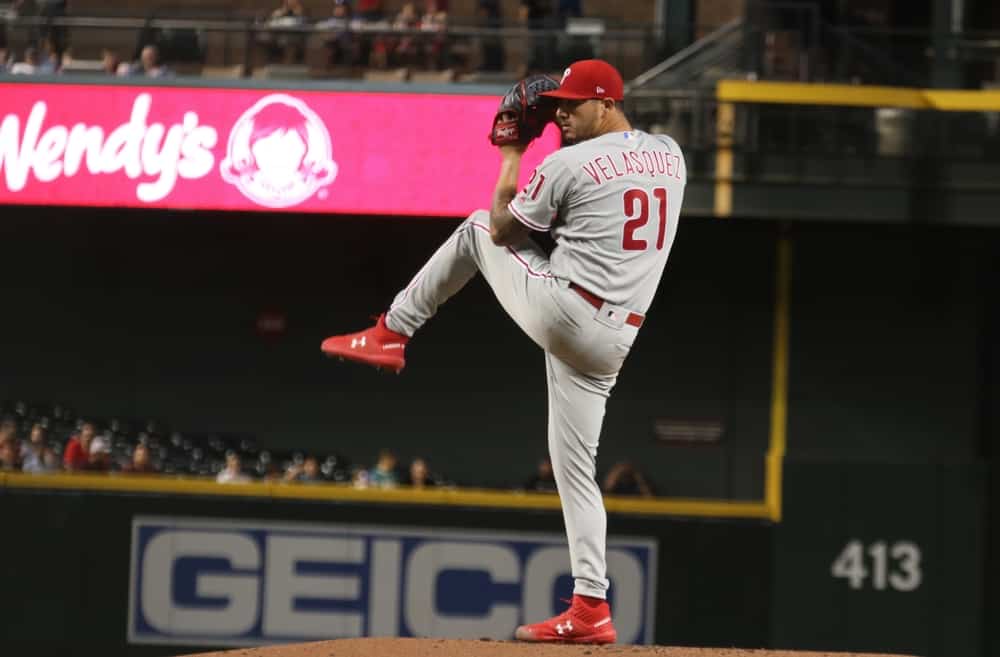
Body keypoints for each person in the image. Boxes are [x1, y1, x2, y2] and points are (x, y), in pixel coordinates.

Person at [321, 59, 686, 644]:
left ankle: (392, 330)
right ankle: (591, 608)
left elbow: (502, 230)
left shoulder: (567, 163)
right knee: (575, 471)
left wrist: (514, 154)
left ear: (606, 103)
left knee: (471, 229)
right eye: (557, 104)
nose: (560, 112)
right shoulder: (671, 153)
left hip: (567, 310)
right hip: (616, 339)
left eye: (572, 104)